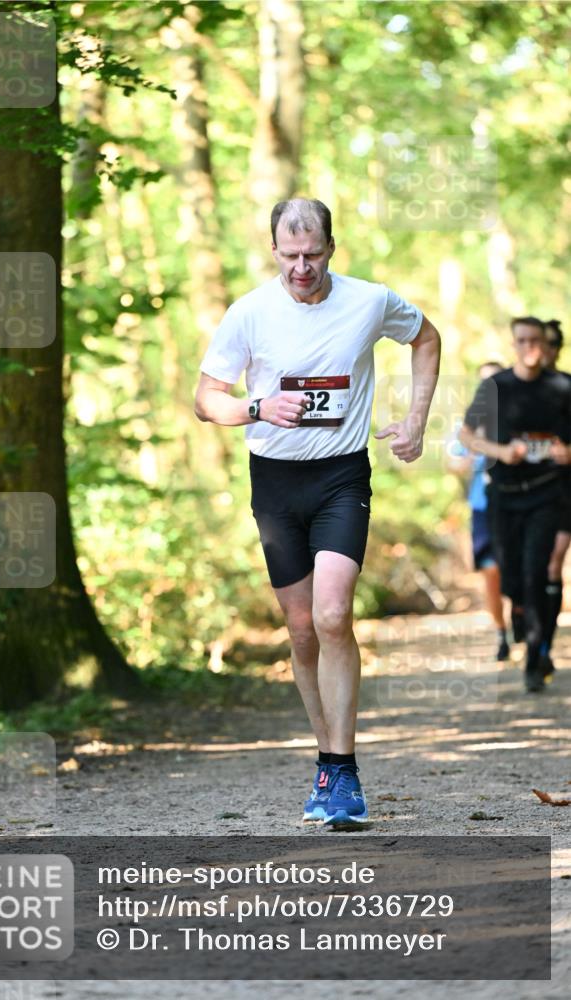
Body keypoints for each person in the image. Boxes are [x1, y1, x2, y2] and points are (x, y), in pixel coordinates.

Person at [194, 198, 441, 827]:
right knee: (302, 629)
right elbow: (205, 401)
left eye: (313, 254)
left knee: (334, 615)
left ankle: (344, 769)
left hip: (340, 474)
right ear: (273, 249)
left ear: (331, 246)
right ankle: (326, 767)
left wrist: (416, 420)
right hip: (274, 482)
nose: (301, 267)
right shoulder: (249, 312)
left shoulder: (369, 300)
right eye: (290, 254)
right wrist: (257, 408)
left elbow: (426, 337)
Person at [459, 317, 571, 693]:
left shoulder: (563, 387)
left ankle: (537, 658)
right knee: (510, 577)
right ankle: (520, 611)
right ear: (514, 344)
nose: (530, 347)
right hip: (503, 497)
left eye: (536, 340)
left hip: (546, 494)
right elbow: (467, 435)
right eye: (521, 340)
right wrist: (502, 452)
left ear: (546, 344)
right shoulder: (496, 386)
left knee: (537, 571)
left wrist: (565, 453)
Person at [449, 362, 510, 660]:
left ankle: (523, 613)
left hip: (515, 505)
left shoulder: (517, 418)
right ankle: (501, 633)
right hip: (482, 506)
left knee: (522, 568)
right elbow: (454, 464)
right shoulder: (468, 425)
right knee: (491, 570)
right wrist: (475, 450)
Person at [540, 320, 571, 670]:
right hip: (516, 493)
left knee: (552, 562)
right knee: (522, 571)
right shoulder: (508, 387)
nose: (540, 351)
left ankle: (544, 644)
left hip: (562, 488)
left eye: (547, 344)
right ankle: (523, 615)